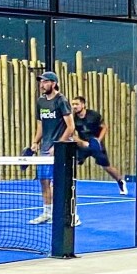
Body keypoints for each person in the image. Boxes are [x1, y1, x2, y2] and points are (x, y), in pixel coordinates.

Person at [30, 70, 80, 225]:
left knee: (59, 183)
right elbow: (41, 125)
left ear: (54, 83)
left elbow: (70, 127)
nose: (42, 84)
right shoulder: (41, 102)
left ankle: (72, 215)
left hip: (61, 150)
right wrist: (35, 142)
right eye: (41, 81)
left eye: (45, 81)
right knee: (44, 181)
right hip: (45, 149)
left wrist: (58, 146)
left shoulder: (61, 101)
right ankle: (47, 213)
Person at [71, 95, 129, 196]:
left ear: (83, 105)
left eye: (77, 104)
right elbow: (71, 134)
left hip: (95, 143)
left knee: (106, 166)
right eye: (73, 104)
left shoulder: (94, 115)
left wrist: (98, 140)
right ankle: (68, 187)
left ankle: (120, 181)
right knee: (72, 163)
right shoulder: (72, 118)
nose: (74, 106)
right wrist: (81, 142)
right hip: (82, 143)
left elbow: (104, 127)